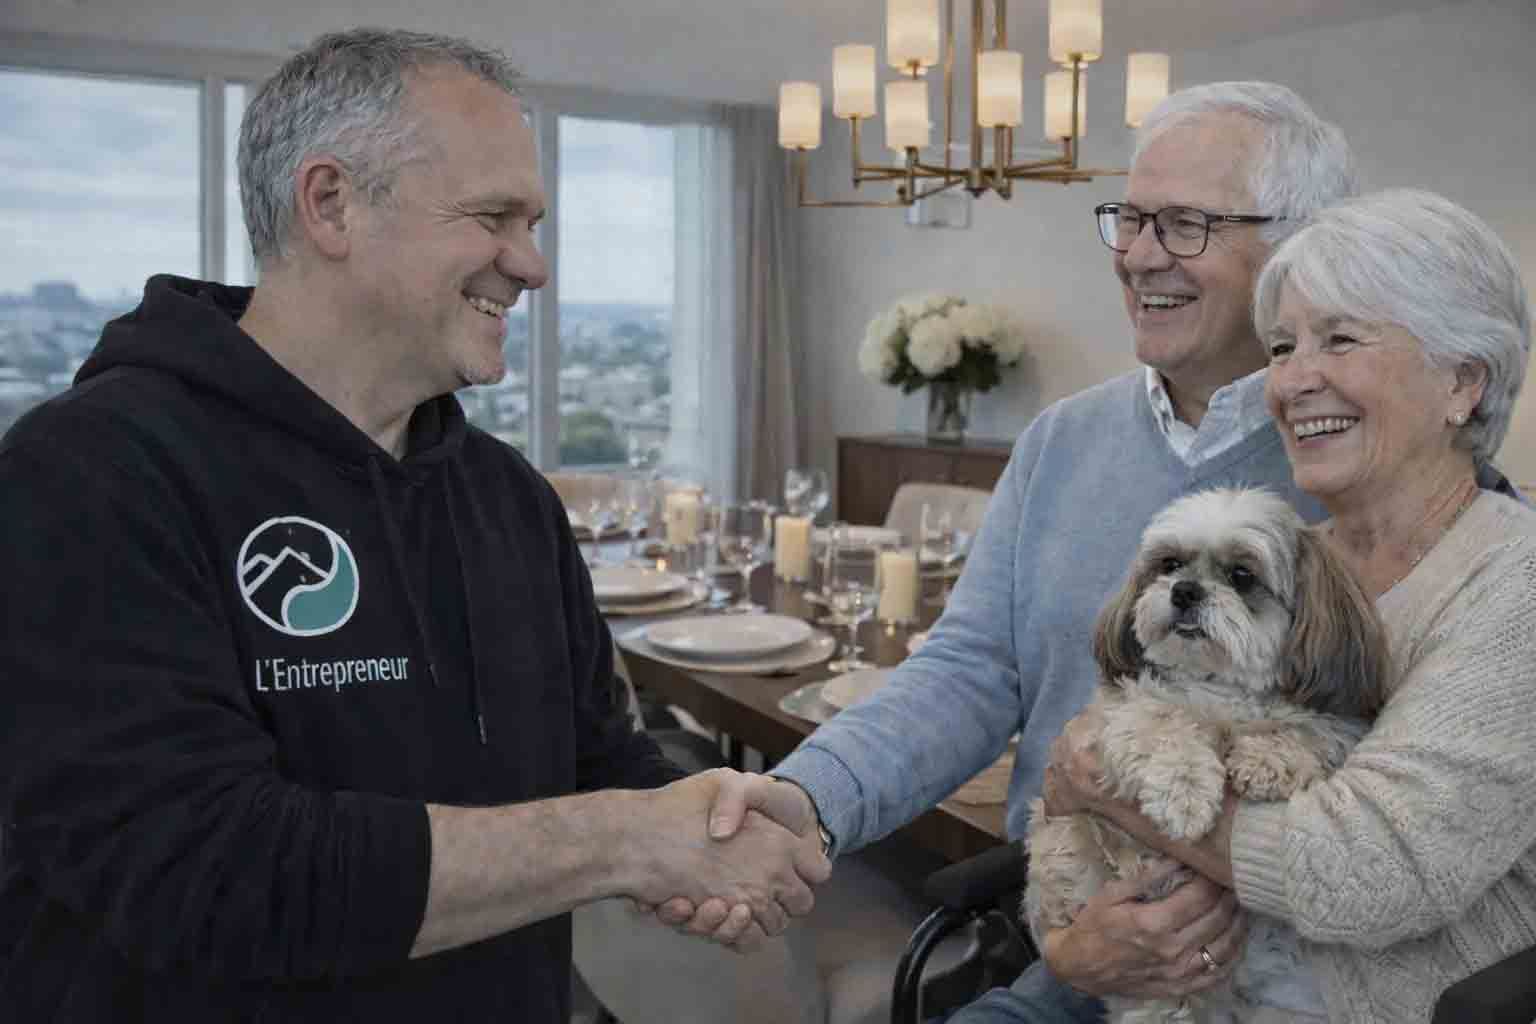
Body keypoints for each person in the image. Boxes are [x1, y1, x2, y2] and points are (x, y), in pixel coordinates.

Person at [0, 28, 829, 1022]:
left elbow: (604, 761)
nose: (532, 264)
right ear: (330, 203)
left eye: (534, 221)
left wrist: (707, 825)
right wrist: (630, 838)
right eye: (494, 216)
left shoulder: (508, 495)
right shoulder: (91, 472)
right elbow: (203, 869)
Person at [692, 82, 1522, 1019]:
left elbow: (1383, 820)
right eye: (1127, 219)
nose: (1136, 255)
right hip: (1064, 934)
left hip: (1257, 965)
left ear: (1295, 241)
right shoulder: (1061, 439)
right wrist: (809, 798)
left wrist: (1112, 794)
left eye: (1183, 224)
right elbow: (967, 671)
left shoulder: (1365, 477)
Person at [1043, 187, 1535, 1021]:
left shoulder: (1512, 588)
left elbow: (1366, 870)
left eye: (1338, 340)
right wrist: (1068, 947)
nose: (1294, 381)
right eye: (1281, 348)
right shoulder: (1297, 553)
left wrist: (1099, 782)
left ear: (1463, 382)